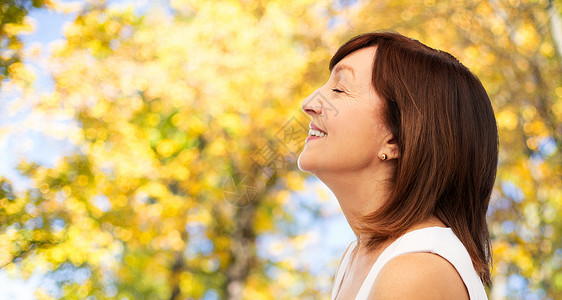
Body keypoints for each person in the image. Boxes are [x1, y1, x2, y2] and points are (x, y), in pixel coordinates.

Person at [297, 32, 497, 299]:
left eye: (339, 89)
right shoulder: (357, 257)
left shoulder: (415, 271)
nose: (309, 104)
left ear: (396, 139)